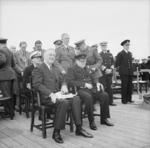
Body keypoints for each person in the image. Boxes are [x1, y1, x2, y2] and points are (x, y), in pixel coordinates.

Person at [32, 49, 93, 144]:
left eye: (53, 55)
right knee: (63, 103)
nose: (52, 57)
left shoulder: (55, 68)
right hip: (47, 97)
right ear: (44, 56)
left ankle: (79, 128)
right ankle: (56, 132)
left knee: (76, 98)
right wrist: (50, 93)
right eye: (50, 55)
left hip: (59, 94)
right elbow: (37, 85)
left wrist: (64, 85)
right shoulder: (39, 69)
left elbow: (64, 79)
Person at [67, 53, 114, 131]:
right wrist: (84, 84)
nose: (83, 62)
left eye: (84, 61)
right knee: (88, 97)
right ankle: (91, 121)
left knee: (104, 95)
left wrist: (97, 83)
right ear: (77, 61)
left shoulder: (87, 68)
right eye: (81, 61)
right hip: (79, 90)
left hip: (91, 89)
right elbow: (70, 82)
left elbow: (93, 77)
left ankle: (104, 119)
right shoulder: (72, 69)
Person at [116, 39, 134, 104]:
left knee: (129, 86)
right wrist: (120, 71)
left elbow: (131, 63)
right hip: (124, 73)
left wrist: (132, 71)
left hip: (130, 72)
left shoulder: (130, 53)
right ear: (123, 46)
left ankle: (129, 99)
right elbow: (117, 64)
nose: (128, 46)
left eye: (128, 45)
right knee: (124, 86)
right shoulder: (120, 54)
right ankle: (124, 100)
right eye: (126, 45)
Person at [99, 41, 116, 106]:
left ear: (106, 46)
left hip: (109, 74)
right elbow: (99, 64)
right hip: (102, 74)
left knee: (110, 88)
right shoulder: (99, 55)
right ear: (101, 47)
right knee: (103, 88)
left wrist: (111, 69)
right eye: (103, 46)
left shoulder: (110, 54)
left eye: (105, 46)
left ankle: (110, 102)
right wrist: (106, 69)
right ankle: (103, 102)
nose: (104, 47)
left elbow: (113, 63)